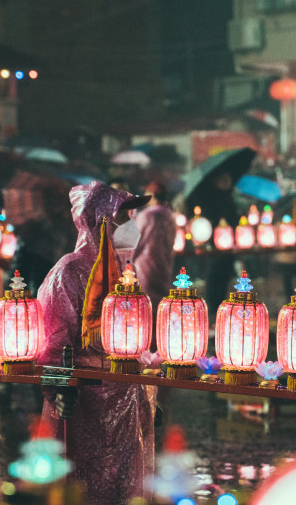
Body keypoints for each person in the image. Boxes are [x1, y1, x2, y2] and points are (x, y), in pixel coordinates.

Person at [37, 182, 155, 504]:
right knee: (85, 486)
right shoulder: (68, 272)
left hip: (126, 400)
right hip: (85, 406)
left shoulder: (122, 272)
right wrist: (60, 388)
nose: (131, 223)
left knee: (124, 486)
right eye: (122, 216)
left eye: (131, 214)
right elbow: (53, 343)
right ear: (100, 221)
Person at [187, 171, 239, 313]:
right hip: (216, 243)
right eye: (224, 180)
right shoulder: (209, 197)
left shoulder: (229, 198)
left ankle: (220, 306)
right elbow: (208, 218)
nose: (227, 183)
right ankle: (213, 307)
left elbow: (235, 218)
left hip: (230, 243)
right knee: (214, 275)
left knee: (224, 276)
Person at [133, 180, 177, 326]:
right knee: (161, 302)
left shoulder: (146, 215)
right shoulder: (169, 215)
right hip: (164, 264)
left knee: (146, 304)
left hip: (145, 266)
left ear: (152, 194)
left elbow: (136, 241)